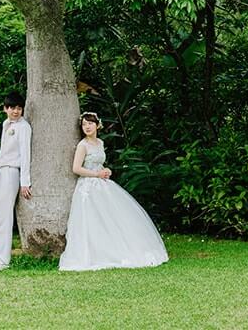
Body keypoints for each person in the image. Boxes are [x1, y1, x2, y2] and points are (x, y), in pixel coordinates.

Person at [59, 111, 168, 271]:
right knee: (91, 221)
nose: (87, 127)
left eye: (90, 123)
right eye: (84, 124)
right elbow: (76, 168)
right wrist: (96, 174)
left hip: (102, 184)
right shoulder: (82, 145)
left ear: (97, 125)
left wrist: (105, 170)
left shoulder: (100, 143)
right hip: (87, 188)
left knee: (110, 218)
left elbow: (98, 163)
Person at [0, 91, 32, 271]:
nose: (16, 111)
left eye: (19, 108)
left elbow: (25, 155)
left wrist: (24, 182)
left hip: (13, 171)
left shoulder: (23, 127)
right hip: (1, 169)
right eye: (12, 108)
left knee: (5, 215)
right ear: (5, 109)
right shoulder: (6, 124)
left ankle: (3, 260)